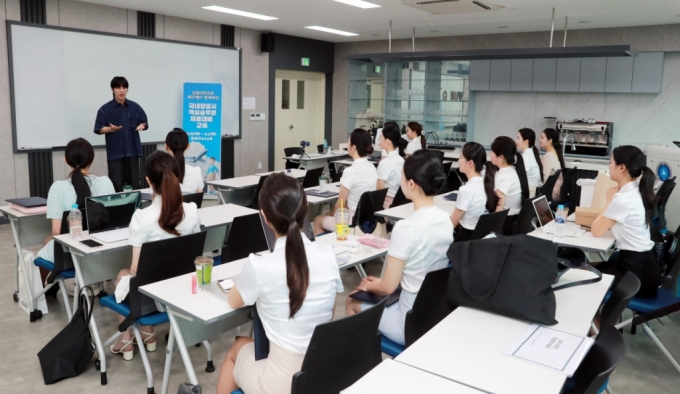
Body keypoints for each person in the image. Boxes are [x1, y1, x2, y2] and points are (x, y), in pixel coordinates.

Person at [216, 173, 343, 394]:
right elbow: (330, 312)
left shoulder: (260, 265)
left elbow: (234, 301)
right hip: (322, 373)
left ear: (264, 217)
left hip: (281, 384)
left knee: (238, 347)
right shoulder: (327, 254)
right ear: (305, 209)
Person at [345, 150, 453, 346]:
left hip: (408, 323)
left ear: (411, 184)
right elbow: (419, 272)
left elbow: (388, 287)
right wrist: (380, 281)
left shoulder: (406, 227)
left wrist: (369, 285)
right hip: (434, 315)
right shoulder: (445, 219)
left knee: (352, 300)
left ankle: (359, 362)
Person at [110, 151, 201, 360]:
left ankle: (127, 341)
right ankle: (147, 335)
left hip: (151, 296)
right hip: (181, 290)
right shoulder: (192, 211)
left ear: (149, 181)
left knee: (123, 273)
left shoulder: (143, 217)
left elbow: (135, 270)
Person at [36, 139, 115, 292]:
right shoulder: (106, 183)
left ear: (66, 160)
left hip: (71, 256)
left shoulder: (59, 188)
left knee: (47, 242)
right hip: (104, 253)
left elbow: (57, 233)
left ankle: (43, 292)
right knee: (48, 240)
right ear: (91, 160)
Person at [591, 145, 661, 297]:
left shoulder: (622, 199)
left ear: (621, 167)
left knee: (583, 275)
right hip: (647, 268)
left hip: (636, 276)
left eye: (610, 162)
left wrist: (609, 200)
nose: (609, 167)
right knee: (591, 268)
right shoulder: (638, 191)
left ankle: (598, 321)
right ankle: (599, 319)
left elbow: (596, 231)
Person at [313, 129, 377, 235]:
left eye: (348, 142)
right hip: (367, 221)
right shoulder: (372, 168)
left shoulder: (350, 171)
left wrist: (330, 214)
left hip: (351, 222)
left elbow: (340, 205)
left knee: (318, 220)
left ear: (354, 147)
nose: (347, 145)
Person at [94, 76, 149, 192]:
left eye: (124, 87)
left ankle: (136, 209)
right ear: (112, 89)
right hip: (115, 153)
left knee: (135, 184)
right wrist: (110, 129)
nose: (121, 90)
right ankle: (117, 209)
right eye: (118, 87)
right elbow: (99, 128)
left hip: (133, 152)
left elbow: (143, 121)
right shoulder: (105, 109)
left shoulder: (135, 107)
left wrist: (142, 126)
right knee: (116, 185)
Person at [450, 142, 498, 241]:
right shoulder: (486, 183)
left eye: (460, 157)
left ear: (470, 163)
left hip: (464, 240)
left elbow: (452, 224)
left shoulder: (466, 190)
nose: (458, 161)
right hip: (478, 240)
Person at [490, 136, 530, 235]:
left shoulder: (503, 176)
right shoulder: (513, 170)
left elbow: (500, 204)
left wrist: (493, 230)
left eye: (492, 152)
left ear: (501, 157)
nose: (490, 154)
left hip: (505, 223)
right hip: (514, 220)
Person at [165, 128, 204, 194]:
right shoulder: (196, 172)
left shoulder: (160, 172)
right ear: (188, 146)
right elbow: (198, 198)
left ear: (166, 146)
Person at [376, 125, 405, 209]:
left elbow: (378, 193)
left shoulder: (384, 163)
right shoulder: (401, 160)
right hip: (398, 204)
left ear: (387, 141)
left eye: (381, 137)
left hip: (386, 204)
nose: (380, 140)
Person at [540, 128, 566, 201]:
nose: (540, 140)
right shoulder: (554, 153)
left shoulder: (548, 156)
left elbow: (544, 179)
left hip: (552, 193)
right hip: (557, 192)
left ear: (550, 141)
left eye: (542, 138)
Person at [516, 128, 544, 195]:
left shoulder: (526, 156)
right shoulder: (531, 152)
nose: (516, 141)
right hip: (535, 190)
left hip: (530, 191)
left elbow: (521, 176)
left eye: (518, 138)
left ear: (526, 142)